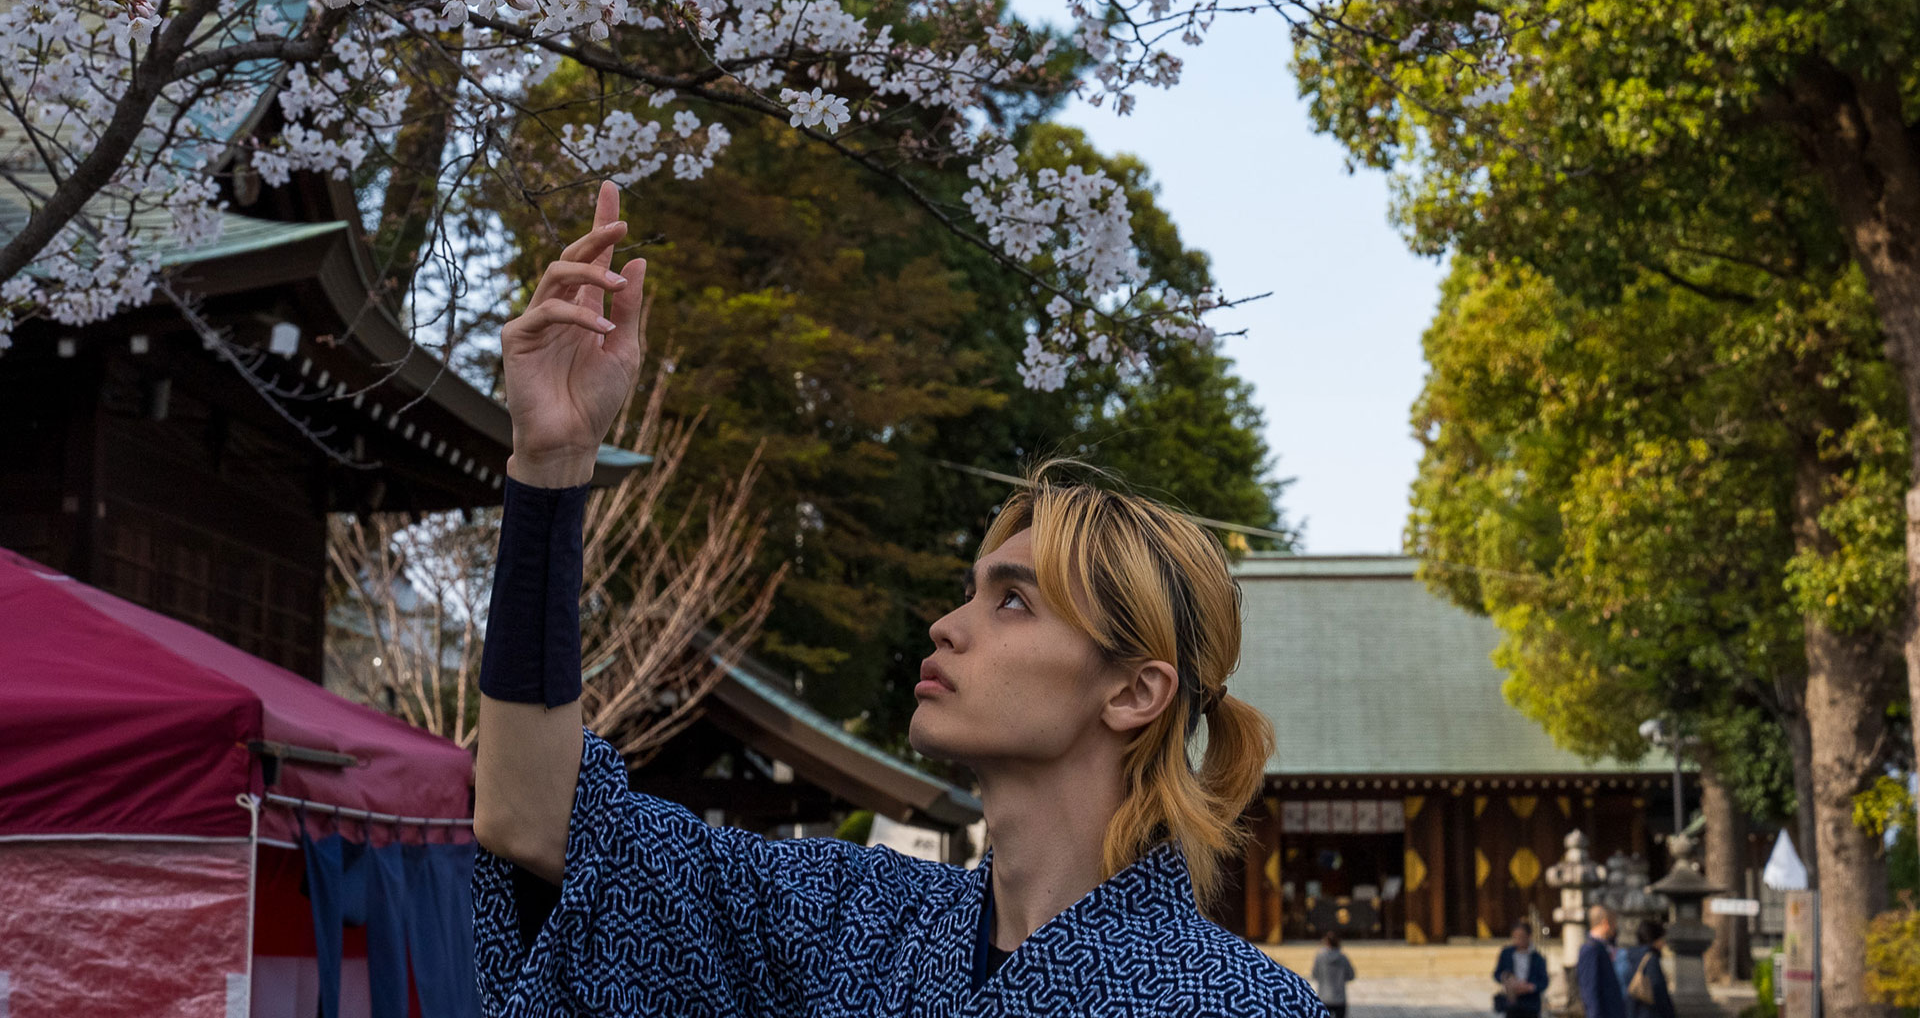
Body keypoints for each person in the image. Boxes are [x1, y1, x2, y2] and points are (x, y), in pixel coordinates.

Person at [468, 181, 1329, 1016]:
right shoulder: (856, 927)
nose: (947, 627)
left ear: (1135, 690)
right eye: (970, 594)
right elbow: (540, 824)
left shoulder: (1240, 1004)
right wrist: (551, 467)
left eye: (1015, 602)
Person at [1576, 905, 1628, 1018]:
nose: (1615, 927)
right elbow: (1590, 990)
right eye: (1614, 923)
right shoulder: (1590, 949)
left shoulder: (1601, 946)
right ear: (1605, 923)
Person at [1493, 922, 1549, 1016]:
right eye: (1515, 937)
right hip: (1512, 1003)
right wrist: (1507, 979)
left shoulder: (1538, 958)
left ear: (1529, 936)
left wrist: (1530, 987)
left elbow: (1544, 981)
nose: (1518, 940)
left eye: (1521, 936)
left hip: (1531, 1005)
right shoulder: (1506, 954)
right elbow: (1497, 974)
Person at [1624, 920, 1676, 1018]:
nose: (1663, 943)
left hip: (1631, 1011)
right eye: (1662, 939)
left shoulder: (1628, 955)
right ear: (1655, 939)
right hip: (1649, 1012)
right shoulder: (1651, 959)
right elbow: (1659, 990)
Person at [1312, 932, 1357, 1018]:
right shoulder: (1343, 958)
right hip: (1339, 998)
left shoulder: (1320, 957)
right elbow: (1351, 975)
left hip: (1324, 997)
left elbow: (1315, 974)